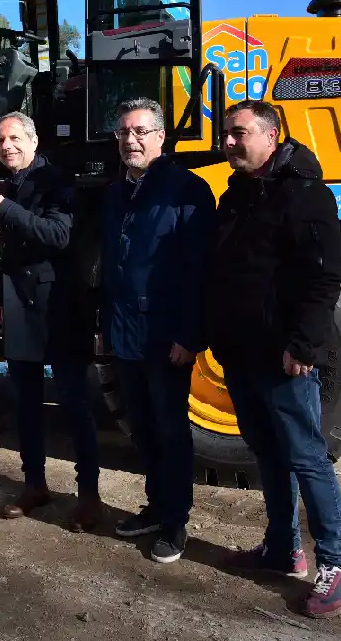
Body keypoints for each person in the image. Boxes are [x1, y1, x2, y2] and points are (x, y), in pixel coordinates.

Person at [207, 100, 341, 618]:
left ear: (271, 136)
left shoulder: (304, 195)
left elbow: (324, 278)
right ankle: (282, 547)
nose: (227, 142)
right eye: (226, 134)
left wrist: (303, 346)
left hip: (282, 358)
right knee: (267, 454)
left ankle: (337, 567)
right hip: (241, 353)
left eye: (238, 134)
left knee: (306, 457)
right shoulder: (237, 195)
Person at [100, 98, 214, 564]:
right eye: (125, 132)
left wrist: (189, 336)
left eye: (142, 131)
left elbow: (200, 271)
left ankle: (175, 522)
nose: (132, 140)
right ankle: (155, 505)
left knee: (170, 431)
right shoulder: (116, 193)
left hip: (166, 337)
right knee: (142, 428)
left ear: (161, 137)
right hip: (126, 333)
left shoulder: (187, 190)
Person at [0, 112, 102, 532]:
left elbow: (57, 236)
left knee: (76, 405)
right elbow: (10, 249)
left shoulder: (58, 180)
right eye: (0, 140)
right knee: (26, 406)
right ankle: (34, 485)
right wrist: (0, 297)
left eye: (14, 138)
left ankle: (89, 495)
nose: (7, 146)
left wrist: (4, 206)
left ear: (33, 141)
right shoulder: (9, 182)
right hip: (20, 307)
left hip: (60, 307)